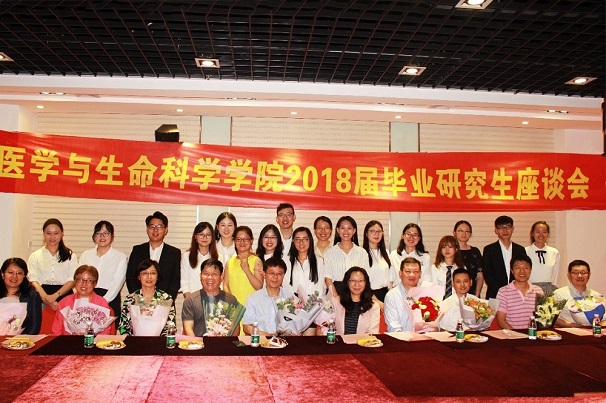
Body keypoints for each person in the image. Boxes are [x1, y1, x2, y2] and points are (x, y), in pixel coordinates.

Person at [126, 211, 181, 301]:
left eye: (159, 227)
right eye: (152, 227)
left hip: (164, 303)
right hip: (139, 302)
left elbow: (175, 281)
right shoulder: (137, 250)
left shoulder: (174, 253)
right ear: (147, 229)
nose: (155, 230)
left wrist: (164, 301)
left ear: (166, 230)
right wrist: (139, 300)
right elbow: (130, 277)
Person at [28, 218, 78, 311]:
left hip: (64, 295)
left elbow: (72, 280)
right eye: (48, 233)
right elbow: (33, 280)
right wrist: (46, 299)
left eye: (56, 233)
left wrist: (55, 295)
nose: (52, 237)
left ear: (62, 234)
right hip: (41, 296)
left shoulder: (70, 255)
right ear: (44, 234)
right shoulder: (35, 256)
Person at [182, 258, 241, 336]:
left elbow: (235, 329)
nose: (210, 277)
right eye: (206, 274)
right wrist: (196, 342)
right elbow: (188, 329)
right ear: (200, 276)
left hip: (224, 343)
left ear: (222, 277)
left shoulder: (230, 300)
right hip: (198, 342)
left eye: (214, 274)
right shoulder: (191, 300)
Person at [80, 220, 127, 317]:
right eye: (98, 233)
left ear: (112, 236)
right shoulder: (86, 255)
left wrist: (103, 301)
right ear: (94, 236)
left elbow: (117, 283)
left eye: (106, 233)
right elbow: (79, 279)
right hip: (87, 298)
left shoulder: (120, 257)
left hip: (110, 299)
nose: (102, 236)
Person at [118, 260, 176, 336]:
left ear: (157, 276)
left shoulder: (166, 298)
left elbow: (170, 326)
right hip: (134, 341)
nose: (149, 277)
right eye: (145, 273)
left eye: (153, 273)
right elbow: (124, 326)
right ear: (139, 277)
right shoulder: (131, 299)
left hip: (159, 341)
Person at [52, 265, 112, 335]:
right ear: (75, 282)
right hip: (67, 341)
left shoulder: (102, 303)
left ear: (95, 284)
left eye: (89, 281)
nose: (84, 284)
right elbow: (57, 331)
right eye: (80, 280)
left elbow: (105, 332)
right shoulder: (64, 302)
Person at [243, 257, 294, 336]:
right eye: (271, 273)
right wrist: (266, 335)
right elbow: (247, 327)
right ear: (264, 274)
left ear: (283, 275)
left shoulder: (290, 298)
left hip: (283, 341)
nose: (275, 277)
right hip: (261, 340)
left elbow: (295, 325)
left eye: (279, 274)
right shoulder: (253, 298)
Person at [482, 216, 528, 299]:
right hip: (495, 294)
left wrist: (513, 291)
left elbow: (523, 272)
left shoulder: (520, 249)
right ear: (496, 230)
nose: (505, 230)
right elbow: (487, 274)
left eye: (508, 227)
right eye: (501, 227)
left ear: (512, 229)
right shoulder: (489, 249)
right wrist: (502, 292)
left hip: (516, 295)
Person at [326, 267, 380, 335]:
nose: (357, 284)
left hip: (363, 341)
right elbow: (328, 326)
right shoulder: (336, 302)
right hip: (339, 341)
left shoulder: (373, 306)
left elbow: (373, 332)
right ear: (347, 282)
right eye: (353, 280)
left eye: (361, 281)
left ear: (366, 283)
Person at [324, 216, 369, 294]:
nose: (346, 231)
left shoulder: (362, 252)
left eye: (349, 228)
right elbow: (328, 278)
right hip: (336, 291)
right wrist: (335, 297)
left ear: (354, 230)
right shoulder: (330, 252)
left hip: (357, 291)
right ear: (338, 230)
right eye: (343, 228)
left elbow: (365, 278)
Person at [496, 255, 543, 330]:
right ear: (512, 271)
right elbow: (501, 321)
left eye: (526, 268)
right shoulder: (503, 292)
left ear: (530, 270)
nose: (522, 271)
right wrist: (516, 334)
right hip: (513, 335)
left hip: (533, 334)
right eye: (518, 268)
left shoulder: (538, 291)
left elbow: (543, 318)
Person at [554, 260, 603, 327]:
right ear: (569, 275)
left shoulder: (597, 296)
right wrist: (574, 326)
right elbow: (553, 318)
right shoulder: (559, 294)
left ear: (589, 275)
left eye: (583, 272)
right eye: (575, 273)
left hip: (592, 331)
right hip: (568, 330)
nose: (580, 276)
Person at [223, 226, 264, 306]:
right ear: (234, 241)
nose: (242, 242)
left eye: (246, 239)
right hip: (234, 307)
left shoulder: (256, 261)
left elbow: (259, 287)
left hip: (251, 307)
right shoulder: (230, 262)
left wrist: (247, 270)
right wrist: (232, 300)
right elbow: (225, 285)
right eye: (238, 239)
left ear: (251, 241)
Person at [0, 258, 41, 334]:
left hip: (22, 339)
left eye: (19, 273)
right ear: (3, 275)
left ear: (24, 276)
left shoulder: (32, 296)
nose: (14, 276)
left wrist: (21, 339)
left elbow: (34, 326)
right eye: (10, 272)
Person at [180, 222, 221, 299]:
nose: (205, 237)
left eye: (208, 235)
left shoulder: (219, 257)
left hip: (214, 301)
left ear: (212, 237)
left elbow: (220, 282)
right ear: (195, 236)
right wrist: (191, 302)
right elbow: (184, 283)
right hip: (192, 300)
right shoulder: (186, 256)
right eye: (201, 234)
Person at [384, 257, 423, 332]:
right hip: (400, 337)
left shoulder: (426, 294)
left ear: (420, 274)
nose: (412, 275)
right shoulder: (392, 295)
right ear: (400, 274)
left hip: (423, 337)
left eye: (415, 272)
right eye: (408, 271)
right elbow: (393, 325)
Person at [362, 220, 395, 304]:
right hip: (369, 296)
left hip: (386, 294)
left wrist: (390, 296)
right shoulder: (362, 254)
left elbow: (391, 276)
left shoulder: (386, 253)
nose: (376, 234)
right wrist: (376, 300)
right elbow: (362, 281)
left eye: (379, 231)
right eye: (372, 231)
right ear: (366, 234)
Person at [287, 227, 325, 297]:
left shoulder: (319, 261)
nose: (301, 242)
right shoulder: (288, 261)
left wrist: (312, 302)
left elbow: (320, 287)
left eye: (305, 239)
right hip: (293, 300)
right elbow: (286, 285)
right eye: (297, 239)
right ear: (293, 242)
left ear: (310, 240)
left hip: (313, 300)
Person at [526, 221, 560, 295]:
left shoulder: (554, 252)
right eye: (538, 232)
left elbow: (555, 276)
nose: (541, 235)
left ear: (548, 234)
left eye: (544, 232)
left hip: (549, 290)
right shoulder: (525, 251)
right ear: (532, 233)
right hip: (529, 290)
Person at [453, 220, 483, 297]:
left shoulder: (475, 251)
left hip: (472, 294)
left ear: (470, 233)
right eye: (460, 231)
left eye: (467, 231)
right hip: (453, 295)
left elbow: (480, 276)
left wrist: (477, 295)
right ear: (454, 232)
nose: (464, 234)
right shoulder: (450, 251)